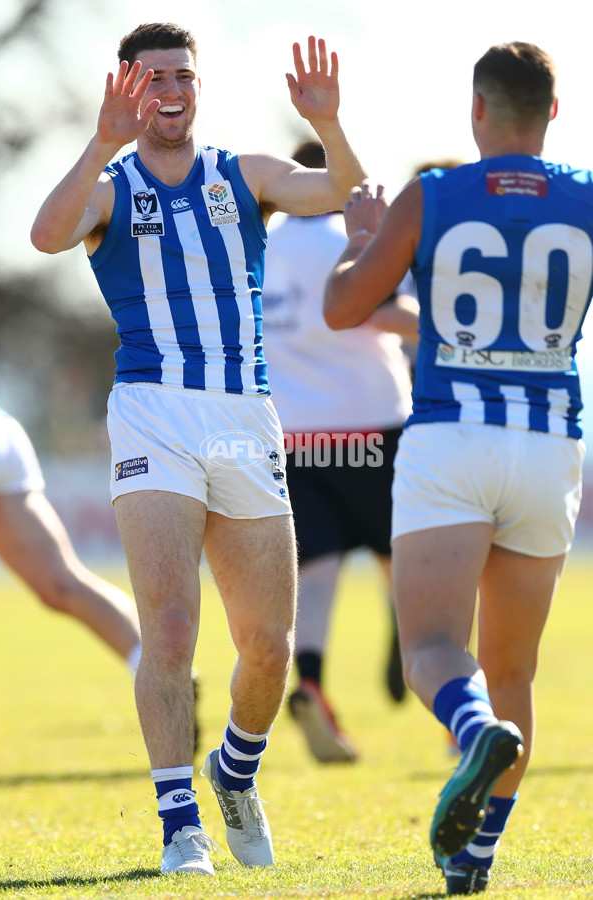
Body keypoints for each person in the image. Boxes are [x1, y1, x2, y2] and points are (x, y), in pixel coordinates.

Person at [31, 23, 366, 877]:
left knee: (268, 647)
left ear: (198, 84)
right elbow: (45, 234)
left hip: (244, 417)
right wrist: (101, 140)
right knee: (171, 628)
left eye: (182, 75)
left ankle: (235, 772)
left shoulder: (242, 173)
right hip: (151, 413)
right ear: (127, 86)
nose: (170, 91)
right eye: (152, 78)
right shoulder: (109, 185)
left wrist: (327, 122)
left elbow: (344, 194)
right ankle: (180, 821)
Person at [324, 42, 591, 895]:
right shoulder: (585, 198)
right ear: (554, 111)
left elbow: (344, 309)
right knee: (516, 670)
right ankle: (473, 861)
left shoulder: (433, 195)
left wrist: (361, 237)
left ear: (476, 111)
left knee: (436, 649)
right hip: (549, 444)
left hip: (452, 438)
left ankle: (471, 730)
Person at [262, 139, 418, 763]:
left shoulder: (264, 248)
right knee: (402, 554)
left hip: (296, 432)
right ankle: (411, 640)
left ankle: (311, 686)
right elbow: (380, 313)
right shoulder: (354, 238)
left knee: (316, 570)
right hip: (372, 422)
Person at [0, 396, 142, 671]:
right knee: (62, 583)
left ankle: (160, 672)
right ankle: (159, 670)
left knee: (62, 583)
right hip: (2, 433)